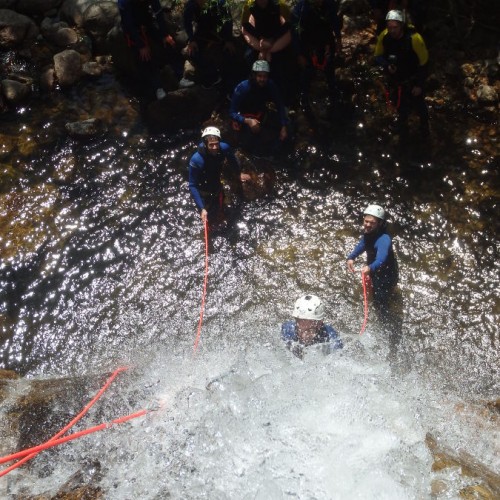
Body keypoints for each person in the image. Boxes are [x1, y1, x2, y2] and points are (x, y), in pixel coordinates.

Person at [374, 9, 430, 139]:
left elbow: (424, 62)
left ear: (402, 26)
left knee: (419, 104)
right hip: (397, 78)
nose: (392, 30)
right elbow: (377, 56)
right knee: (400, 104)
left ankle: (424, 126)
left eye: (395, 27)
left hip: (413, 78)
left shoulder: (414, 39)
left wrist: (419, 85)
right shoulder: (385, 36)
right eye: (389, 27)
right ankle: (403, 124)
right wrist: (387, 65)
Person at [118, 0, 189, 100]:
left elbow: (158, 12)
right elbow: (128, 24)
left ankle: (180, 76)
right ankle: (157, 88)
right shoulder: (124, 2)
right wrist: (141, 45)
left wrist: (164, 34)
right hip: (133, 28)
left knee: (169, 43)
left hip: (147, 22)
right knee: (145, 56)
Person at [346, 204, 399, 322]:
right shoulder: (369, 232)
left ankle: (385, 319)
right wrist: (351, 257)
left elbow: (382, 258)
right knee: (374, 292)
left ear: (379, 223)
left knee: (380, 301)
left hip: (386, 275)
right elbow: (363, 243)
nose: (368, 225)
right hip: (374, 268)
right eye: (366, 221)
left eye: (372, 222)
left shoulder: (384, 239)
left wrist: (370, 267)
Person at [188, 126, 251, 225]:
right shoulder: (197, 160)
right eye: (211, 145)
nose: (215, 148)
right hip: (202, 188)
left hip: (216, 183)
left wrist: (238, 174)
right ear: (205, 144)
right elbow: (192, 184)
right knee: (208, 218)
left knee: (222, 211)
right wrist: (202, 208)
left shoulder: (224, 148)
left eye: (216, 144)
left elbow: (232, 160)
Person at [291, 0, 342, 113]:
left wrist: (338, 39)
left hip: (326, 42)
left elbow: (334, 22)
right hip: (307, 45)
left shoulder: (330, 5)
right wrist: (299, 54)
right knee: (307, 72)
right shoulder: (301, 9)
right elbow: (294, 34)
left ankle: (333, 92)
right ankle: (304, 97)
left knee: (329, 68)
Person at [229, 60, 288, 156]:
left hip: (260, 114)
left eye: (265, 76)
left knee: (286, 131)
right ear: (254, 76)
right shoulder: (243, 87)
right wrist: (247, 121)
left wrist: (283, 126)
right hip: (243, 116)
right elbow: (232, 111)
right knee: (251, 142)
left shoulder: (270, 85)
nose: (262, 79)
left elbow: (279, 104)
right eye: (259, 76)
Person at [183, 0, 245, 91]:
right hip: (203, 33)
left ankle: (229, 84)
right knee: (194, 52)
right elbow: (187, 21)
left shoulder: (219, 3)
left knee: (229, 54)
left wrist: (228, 40)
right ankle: (212, 77)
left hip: (220, 32)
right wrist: (192, 40)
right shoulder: (191, 4)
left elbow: (228, 21)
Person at [241, 0, 294, 104]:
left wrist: (272, 40)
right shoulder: (249, 5)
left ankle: (283, 98)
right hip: (260, 38)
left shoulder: (279, 4)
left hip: (276, 37)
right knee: (249, 58)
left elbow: (288, 24)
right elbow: (245, 24)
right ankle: (255, 95)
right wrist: (260, 39)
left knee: (281, 64)